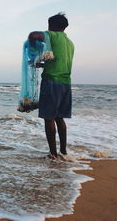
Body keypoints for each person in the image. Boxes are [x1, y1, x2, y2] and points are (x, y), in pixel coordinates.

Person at [28, 13, 75, 161]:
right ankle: (63, 151)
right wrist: (41, 62)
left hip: (51, 81)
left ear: (51, 26)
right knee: (59, 118)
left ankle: (53, 154)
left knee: (49, 118)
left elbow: (36, 38)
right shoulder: (70, 43)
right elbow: (56, 60)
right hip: (66, 83)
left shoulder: (50, 35)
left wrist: (33, 57)